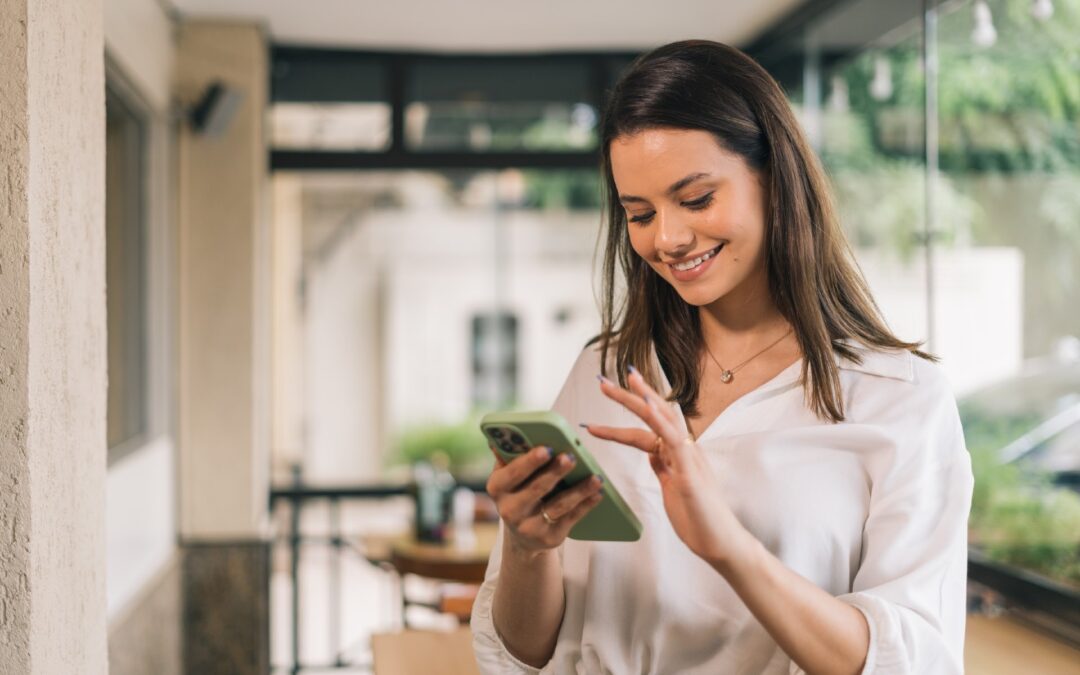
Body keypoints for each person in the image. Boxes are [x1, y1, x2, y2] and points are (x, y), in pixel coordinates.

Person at [470, 39, 974, 675]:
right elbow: (523, 655)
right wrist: (527, 548)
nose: (669, 239)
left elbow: (914, 664)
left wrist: (728, 546)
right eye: (640, 213)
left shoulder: (899, 396)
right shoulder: (607, 372)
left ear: (773, 175)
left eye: (697, 199)